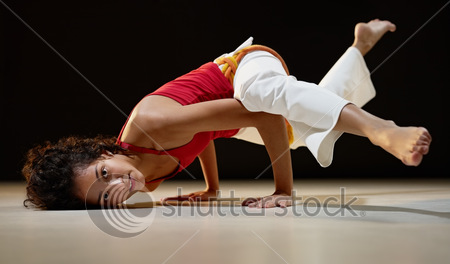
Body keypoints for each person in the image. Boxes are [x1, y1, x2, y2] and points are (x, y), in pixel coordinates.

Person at [22, 19, 431, 210]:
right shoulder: (140, 182)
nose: (117, 187)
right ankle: (359, 46)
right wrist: (212, 189)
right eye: (105, 197)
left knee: (265, 96)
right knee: (305, 130)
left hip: (241, 68)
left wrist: (283, 193)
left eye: (104, 174)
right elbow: (203, 135)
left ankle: (382, 131)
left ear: (99, 152)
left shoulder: (152, 123)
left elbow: (264, 117)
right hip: (237, 111)